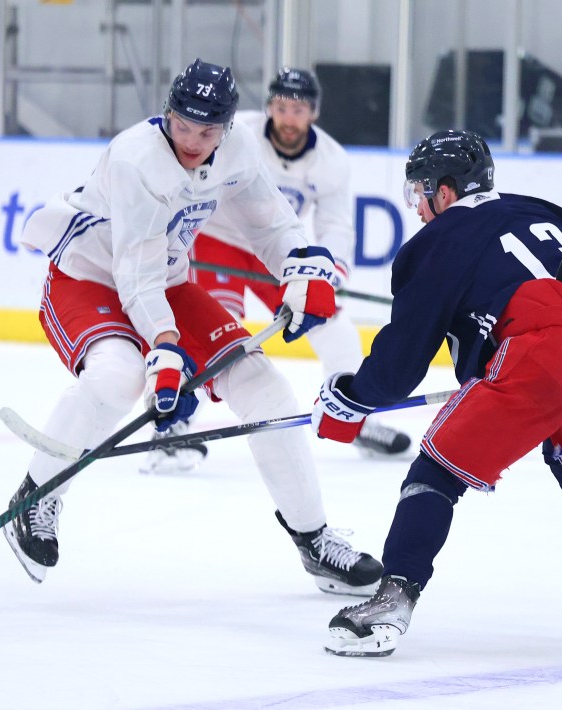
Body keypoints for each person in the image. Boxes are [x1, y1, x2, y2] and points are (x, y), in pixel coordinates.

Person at [1, 58, 383, 598]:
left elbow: (271, 223)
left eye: (208, 130)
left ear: (228, 126)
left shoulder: (240, 148)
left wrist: (305, 272)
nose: (193, 140)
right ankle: (35, 496)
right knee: (118, 377)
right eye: (183, 124)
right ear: (167, 113)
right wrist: (164, 347)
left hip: (169, 280)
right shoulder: (137, 159)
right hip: (89, 277)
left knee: (267, 392)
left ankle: (314, 540)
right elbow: (134, 271)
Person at [310, 129, 562, 656]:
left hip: (543, 362)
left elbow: (402, 362)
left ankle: (390, 604)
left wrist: (352, 397)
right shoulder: (542, 210)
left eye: (419, 193)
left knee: (436, 468)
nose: (419, 208)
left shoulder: (436, 240)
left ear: (444, 192)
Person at [140, 67, 410, 474]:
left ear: (314, 113)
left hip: (275, 251)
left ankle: (353, 416)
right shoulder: (239, 131)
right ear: (269, 107)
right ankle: (173, 428)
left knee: (335, 327)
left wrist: (327, 275)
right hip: (219, 243)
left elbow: (336, 226)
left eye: (298, 109)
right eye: (281, 107)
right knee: (220, 331)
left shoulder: (331, 160)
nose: (288, 117)